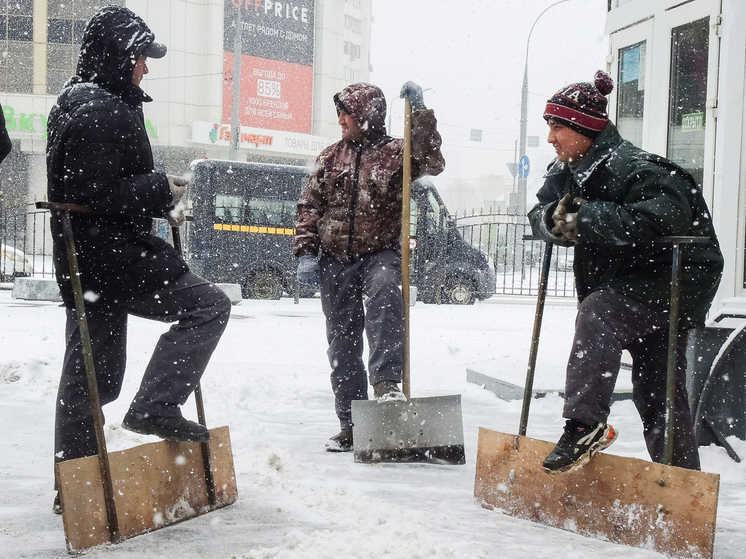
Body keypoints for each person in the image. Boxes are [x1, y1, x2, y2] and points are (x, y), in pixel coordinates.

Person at [47, 6, 231, 509]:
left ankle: (77, 486)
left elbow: (95, 189)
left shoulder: (80, 101)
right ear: (117, 55)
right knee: (208, 306)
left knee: (90, 372)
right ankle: (155, 405)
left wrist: (156, 194)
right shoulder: (100, 110)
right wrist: (159, 187)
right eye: (140, 58)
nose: (145, 68)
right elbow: (98, 193)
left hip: (88, 260)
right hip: (114, 256)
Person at [528, 70, 723, 475]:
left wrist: (578, 218)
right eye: (549, 126)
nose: (551, 138)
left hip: (673, 285)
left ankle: (584, 425)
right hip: (629, 286)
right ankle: (682, 483)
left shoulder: (643, 169)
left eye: (558, 126)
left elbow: (661, 220)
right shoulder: (565, 172)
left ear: (585, 128)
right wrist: (562, 221)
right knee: (658, 393)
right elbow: (540, 215)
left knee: (599, 312)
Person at [294, 82, 445, 452]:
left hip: (380, 252)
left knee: (385, 300)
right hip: (335, 259)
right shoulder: (330, 157)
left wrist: (421, 114)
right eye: (339, 112)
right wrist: (306, 252)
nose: (340, 119)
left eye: (346, 112)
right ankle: (350, 422)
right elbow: (309, 205)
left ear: (366, 115)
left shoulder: (397, 152)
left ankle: (387, 385)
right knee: (342, 344)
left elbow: (433, 161)